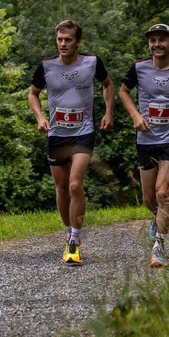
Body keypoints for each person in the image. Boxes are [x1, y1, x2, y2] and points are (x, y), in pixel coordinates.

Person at [28, 19, 114, 265]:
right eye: (59, 39)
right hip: (56, 134)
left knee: (76, 185)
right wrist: (40, 117)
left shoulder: (92, 63)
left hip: (83, 132)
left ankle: (75, 240)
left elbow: (108, 85)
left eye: (68, 40)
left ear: (78, 42)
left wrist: (109, 112)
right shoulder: (45, 66)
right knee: (62, 188)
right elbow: (33, 94)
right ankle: (69, 231)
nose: (63, 44)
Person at [119, 23, 169, 268]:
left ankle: (158, 247)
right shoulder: (139, 68)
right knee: (149, 198)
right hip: (146, 138)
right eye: (153, 40)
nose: (157, 45)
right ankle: (156, 217)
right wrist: (135, 115)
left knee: (163, 193)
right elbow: (123, 91)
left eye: (162, 40)